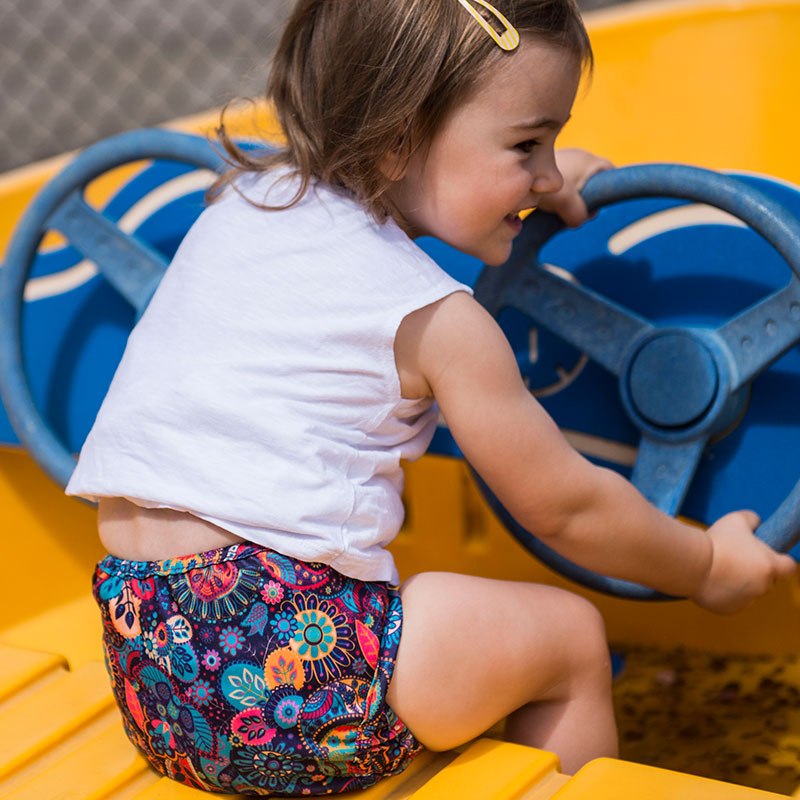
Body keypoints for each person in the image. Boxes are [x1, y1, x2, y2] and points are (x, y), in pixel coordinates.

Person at [67, 0, 797, 794]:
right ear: (395, 141)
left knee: (413, 605)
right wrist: (706, 563)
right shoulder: (439, 321)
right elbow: (567, 509)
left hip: (150, 677)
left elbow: (386, 195)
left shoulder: (243, 199)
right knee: (570, 637)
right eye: (527, 144)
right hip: (294, 692)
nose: (547, 176)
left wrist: (532, 175)